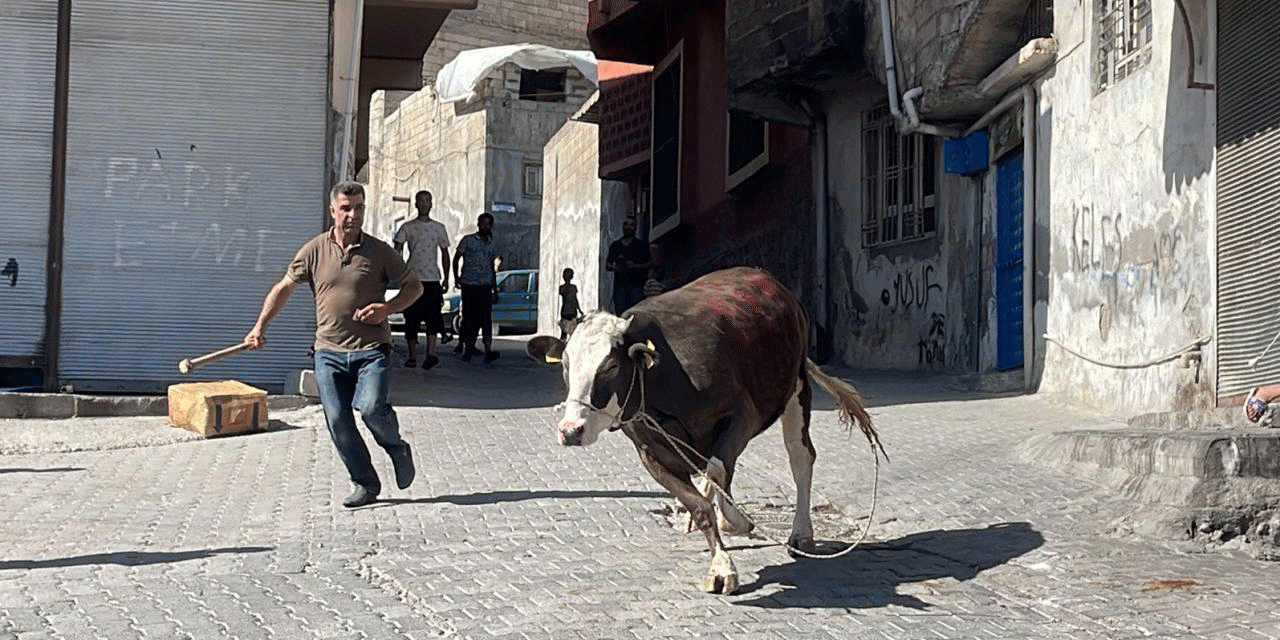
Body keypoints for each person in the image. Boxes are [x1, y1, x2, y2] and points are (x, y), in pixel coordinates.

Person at [244, 181, 422, 509]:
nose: (353, 215)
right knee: (338, 420)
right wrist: (259, 327)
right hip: (328, 353)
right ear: (332, 211)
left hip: (372, 351)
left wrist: (388, 308)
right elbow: (284, 287)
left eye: (359, 208)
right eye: (346, 208)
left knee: (370, 409)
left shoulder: (381, 252)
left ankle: (396, 447)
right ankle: (365, 483)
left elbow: (414, 287)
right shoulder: (313, 251)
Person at [393, 190, 451, 370]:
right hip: (412, 278)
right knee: (411, 317)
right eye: (421, 201)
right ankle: (412, 356)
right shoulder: (407, 227)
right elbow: (397, 249)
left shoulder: (439, 228)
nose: (425, 203)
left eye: (428, 200)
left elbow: (445, 253)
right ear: (416, 204)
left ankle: (431, 353)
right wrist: (399, 273)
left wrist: (446, 278)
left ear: (432, 204)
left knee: (433, 316)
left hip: (432, 278)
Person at [451, 212, 501, 363]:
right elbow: (456, 257)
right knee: (469, 319)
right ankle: (467, 348)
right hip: (469, 285)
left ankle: (488, 351)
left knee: (486, 320)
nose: (486, 226)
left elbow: (492, 266)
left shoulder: (492, 243)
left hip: (485, 285)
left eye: (488, 224)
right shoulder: (468, 240)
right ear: (478, 224)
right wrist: (456, 277)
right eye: (483, 223)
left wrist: (495, 288)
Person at [605, 216, 651, 314]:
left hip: (637, 287)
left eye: (631, 225)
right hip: (620, 288)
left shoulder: (641, 246)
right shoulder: (615, 246)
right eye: (626, 224)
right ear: (623, 226)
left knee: (636, 315)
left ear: (635, 227)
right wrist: (615, 267)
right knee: (621, 316)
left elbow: (649, 264)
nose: (629, 227)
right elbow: (607, 265)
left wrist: (635, 266)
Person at [558, 267, 583, 341]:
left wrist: (579, 309)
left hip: (565, 311)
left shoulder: (562, 288)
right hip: (572, 311)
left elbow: (575, 299)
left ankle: (563, 343)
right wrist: (579, 309)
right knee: (572, 331)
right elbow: (575, 299)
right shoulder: (573, 287)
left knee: (564, 332)